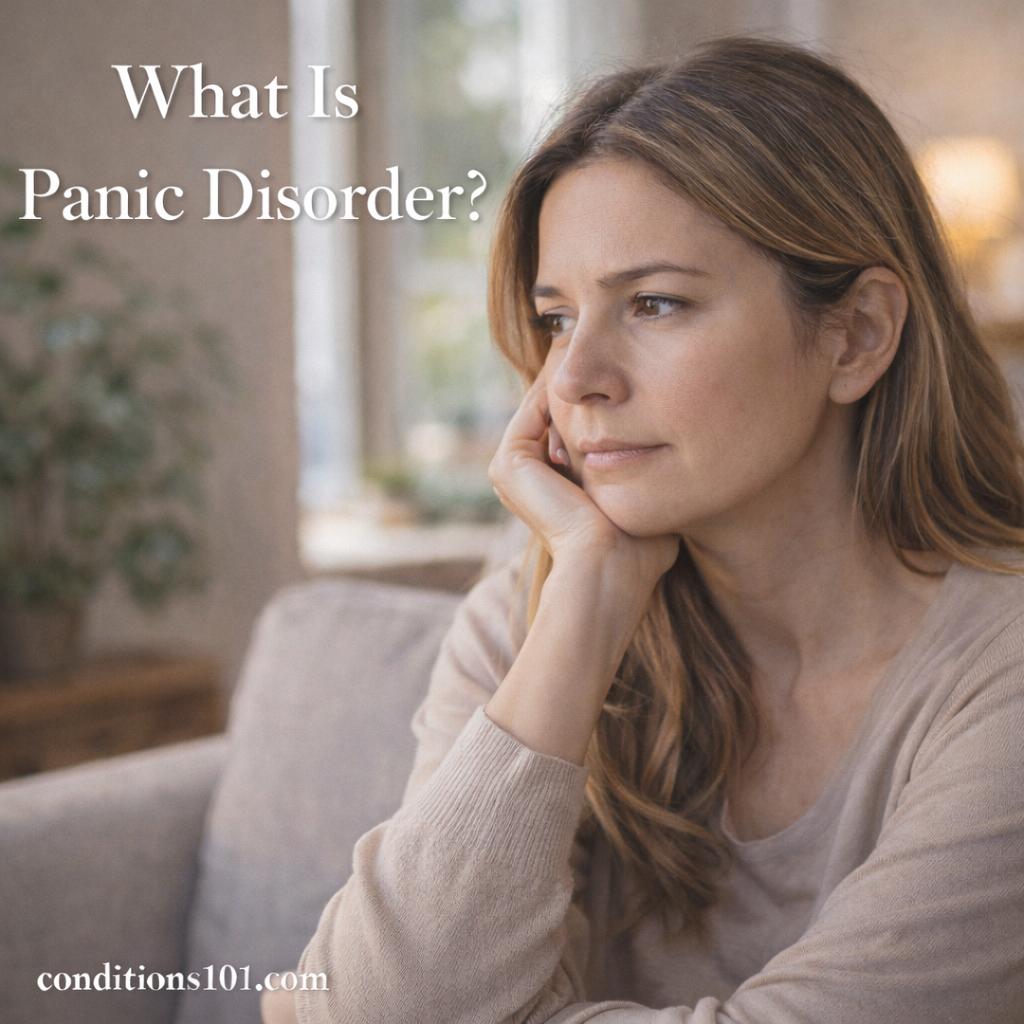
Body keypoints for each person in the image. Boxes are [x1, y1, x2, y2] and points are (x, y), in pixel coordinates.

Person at [263, 37, 1024, 1024]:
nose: (574, 378)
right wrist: (584, 598)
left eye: (654, 303)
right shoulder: (534, 619)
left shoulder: (997, 678)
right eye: (555, 319)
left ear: (857, 334)